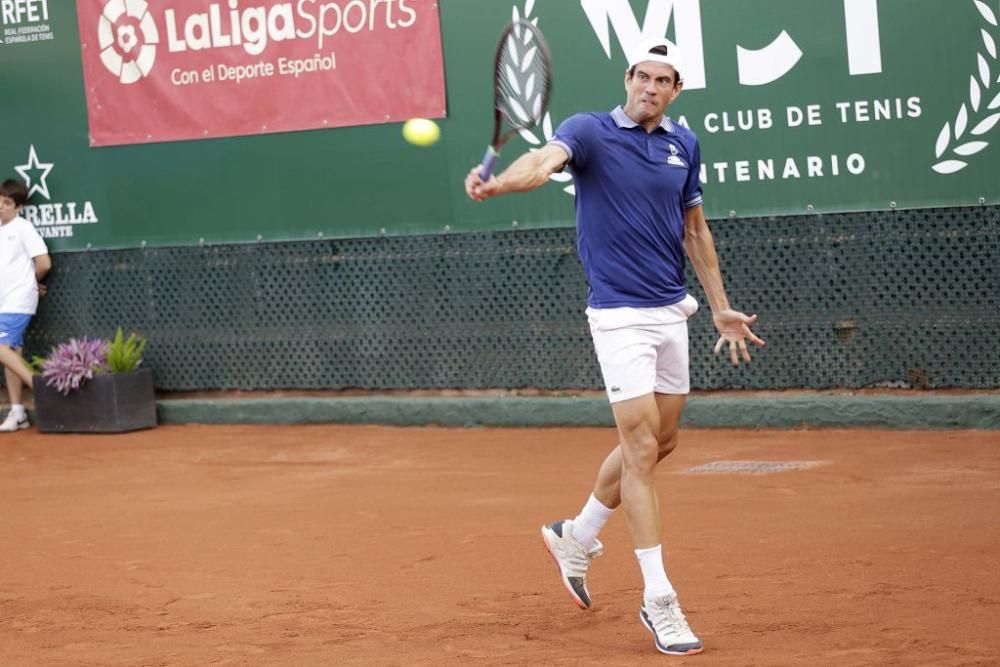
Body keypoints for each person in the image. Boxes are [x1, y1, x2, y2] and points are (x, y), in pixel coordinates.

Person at [464, 40, 765, 656]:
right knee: (639, 446)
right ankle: (660, 601)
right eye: (642, 77)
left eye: (663, 81)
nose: (650, 88)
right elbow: (541, 162)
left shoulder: (684, 144)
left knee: (663, 442)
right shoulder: (590, 132)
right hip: (618, 315)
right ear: (627, 78)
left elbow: (695, 229)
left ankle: (575, 535)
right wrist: (498, 188)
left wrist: (719, 305)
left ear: (676, 90)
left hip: (670, 310)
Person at [0, 177, 51, 432]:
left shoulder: (23, 228)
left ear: (18, 207)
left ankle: (42, 388)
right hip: (4, 301)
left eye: (7, 202)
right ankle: (18, 412)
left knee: (0, 347)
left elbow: (44, 263)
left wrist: (31, 283)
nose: (1, 206)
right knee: (12, 353)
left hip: (19, 300)